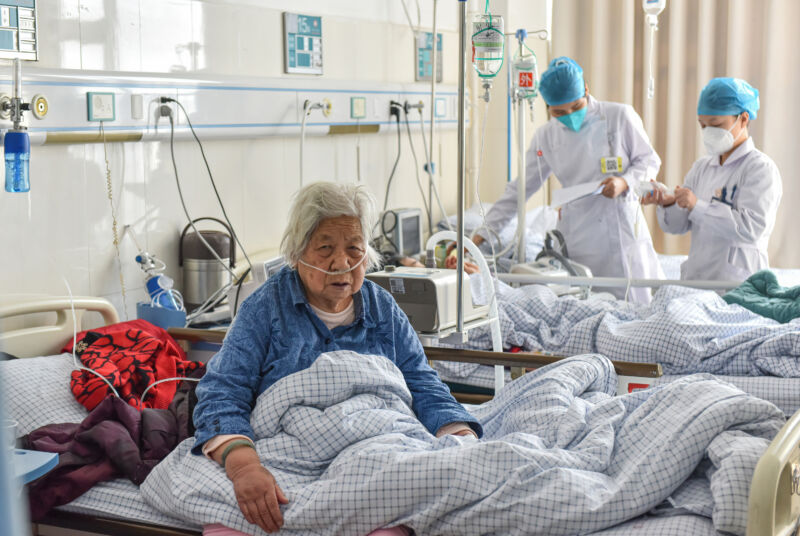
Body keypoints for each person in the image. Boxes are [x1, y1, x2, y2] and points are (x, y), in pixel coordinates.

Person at [192, 182, 481, 534]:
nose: (341, 262)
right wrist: (243, 466)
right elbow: (223, 392)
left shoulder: (382, 308)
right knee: (231, 510)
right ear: (298, 252)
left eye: (353, 248)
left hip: (376, 445)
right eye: (325, 248)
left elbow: (421, 382)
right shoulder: (265, 308)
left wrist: (461, 437)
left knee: (410, 502)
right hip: (290, 452)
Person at [474, 56, 663, 303]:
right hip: (578, 233)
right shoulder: (546, 137)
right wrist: (479, 237)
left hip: (620, 225)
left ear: (586, 90)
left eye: (576, 106)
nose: (570, 115)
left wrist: (624, 181)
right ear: (547, 107)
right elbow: (519, 191)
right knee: (587, 305)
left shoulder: (619, 116)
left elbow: (649, 161)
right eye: (559, 112)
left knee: (634, 301)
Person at [642, 77, 782, 282]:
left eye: (716, 124)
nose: (708, 132)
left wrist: (697, 206)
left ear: (743, 119)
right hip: (698, 281)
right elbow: (677, 226)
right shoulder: (702, 167)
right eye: (703, 125)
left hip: (738, 284)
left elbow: (751, 229)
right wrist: (669, 202)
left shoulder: (760, 168)